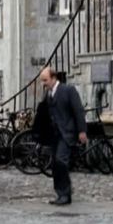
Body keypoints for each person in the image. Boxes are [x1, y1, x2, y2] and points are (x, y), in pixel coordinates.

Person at [38, 67, 87, 205]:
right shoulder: (48, 95)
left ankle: (66, 193)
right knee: (55, 164)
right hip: (54, 135)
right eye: (42, 81)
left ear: (54, 78)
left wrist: (82, 131)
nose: (44, 83)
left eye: (45, 80)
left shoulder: (68, 91)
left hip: (67, 133)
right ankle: (60, 192)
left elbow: (78, 110)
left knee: (61, 160)